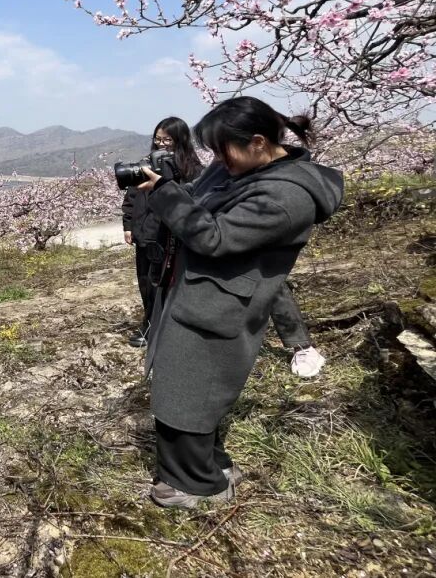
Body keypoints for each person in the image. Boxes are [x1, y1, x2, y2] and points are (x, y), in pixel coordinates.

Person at [138, 97, 343, 509]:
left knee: (189, 393)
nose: (217, 159)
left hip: (223, 303)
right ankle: (209, 468)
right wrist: (174, 190)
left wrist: (165, 195)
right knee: (182, 386)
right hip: (200, 290)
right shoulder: (244, 167)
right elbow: (198, 200)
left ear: (257, 142)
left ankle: (196, 485)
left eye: (222, 149)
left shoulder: (287, 196)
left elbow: (214, 238)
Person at [121, 117, 203, 348]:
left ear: (180, 140)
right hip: (146, 234)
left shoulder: (192, 169)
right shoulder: (144, 164)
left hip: (174, 236)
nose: (161, 144)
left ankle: (172, 325)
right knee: (146, 281)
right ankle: (149, 323)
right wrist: (128, 225)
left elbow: (196, 200)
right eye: (158, 139)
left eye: (167, 139)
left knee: (170, 282)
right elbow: (131, 197)